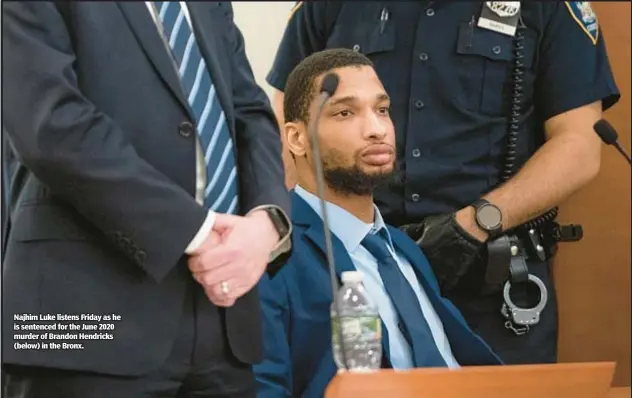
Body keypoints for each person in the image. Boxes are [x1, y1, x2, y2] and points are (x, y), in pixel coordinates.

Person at [266, 1, 620, 364]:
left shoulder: (549, 7)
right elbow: (285, 130)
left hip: (493, 278)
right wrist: (299, 247)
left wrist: (474, 224)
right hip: (357, 268)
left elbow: (579, 145)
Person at [2, 2, 292, 397]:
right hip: (81, 316)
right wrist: (194, 230)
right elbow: (51, 124)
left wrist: (266, 222)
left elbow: (251, 113)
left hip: (221, 326)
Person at [254, 48, 502, 398]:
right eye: (345, 112)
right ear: (296, 138)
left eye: (382, 110)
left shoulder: (402, 249)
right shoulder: (270, 252)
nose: (376, 129)